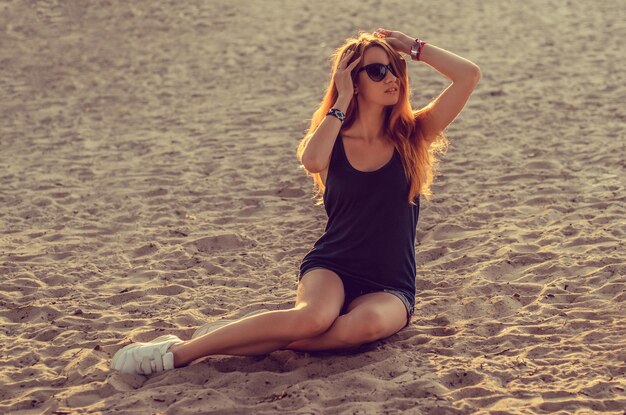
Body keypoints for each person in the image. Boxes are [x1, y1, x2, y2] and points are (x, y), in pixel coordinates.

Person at [110, 28, 480, 375]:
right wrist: (342, 101)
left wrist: (412, 48)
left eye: (394, 69)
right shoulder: (333, 137)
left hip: (390, 283)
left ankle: (243, 333)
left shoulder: (412, 135)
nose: (392, 78)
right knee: (312, 319)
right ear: (353, 80)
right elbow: (313, 161)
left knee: (361, 328)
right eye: (378, 71)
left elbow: (468, 75)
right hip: (333, 265)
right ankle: (178, 352)